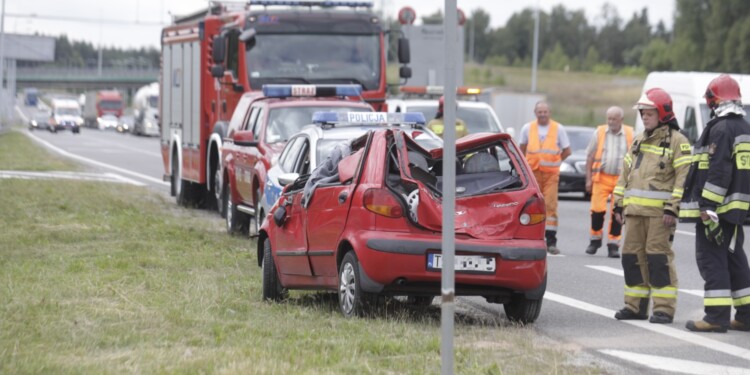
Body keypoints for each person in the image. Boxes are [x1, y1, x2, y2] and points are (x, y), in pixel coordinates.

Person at [612, 88, 691, 324]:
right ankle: (634, 307)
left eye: (649, 113)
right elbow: (624, 174)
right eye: (643, 113)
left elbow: (683, 179)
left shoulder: (678, 142)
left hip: (660, 215)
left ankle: (664, 309)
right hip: (634, 212)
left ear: (663, 113)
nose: (644, 117)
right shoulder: (638, 139)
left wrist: (672, 208)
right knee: (631, 258)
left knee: (658, 260)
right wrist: (618, 204)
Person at [679, 74, 750, 333]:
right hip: (736, 210)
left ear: (713, 100)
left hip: (717, 210)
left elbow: (718, 171)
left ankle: (716, 317)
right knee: (735, 261)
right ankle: (746, 315)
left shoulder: (720, 129)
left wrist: (707, 207)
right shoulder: (744, 127)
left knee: (712, 261)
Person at [519, 101, 572, 254]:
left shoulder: (558, 128)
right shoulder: (527, 128)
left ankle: (551, 241)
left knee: (550, 205)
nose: (542, 114)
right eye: (539, 112)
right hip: (533, 175)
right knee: (531, 205)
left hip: (550, 175)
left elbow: (567, 150)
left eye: (545, 111)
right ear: (535, 113)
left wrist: (556, 162)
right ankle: (530, 238)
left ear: (550, 112)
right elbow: (521, 149)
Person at [584, 107, 634, 258]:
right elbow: (590, 156)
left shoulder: (631, 134)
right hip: (601, 177)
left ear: (621, 120)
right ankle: (595, 240)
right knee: (597, 210)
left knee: (617, 212)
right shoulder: (599, 132)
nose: (611, 122)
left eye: (614, 119)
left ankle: (613, 244)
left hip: (621, 180)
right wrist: (588, 179)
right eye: (609, 119)